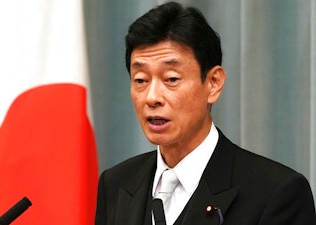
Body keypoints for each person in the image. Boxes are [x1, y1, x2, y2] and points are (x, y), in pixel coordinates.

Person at [95, 1, 316, 225]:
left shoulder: (276, 193)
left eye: (171, 79)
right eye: (141, 80)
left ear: (213, 83)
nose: (152, 97)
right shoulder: (115, 185)